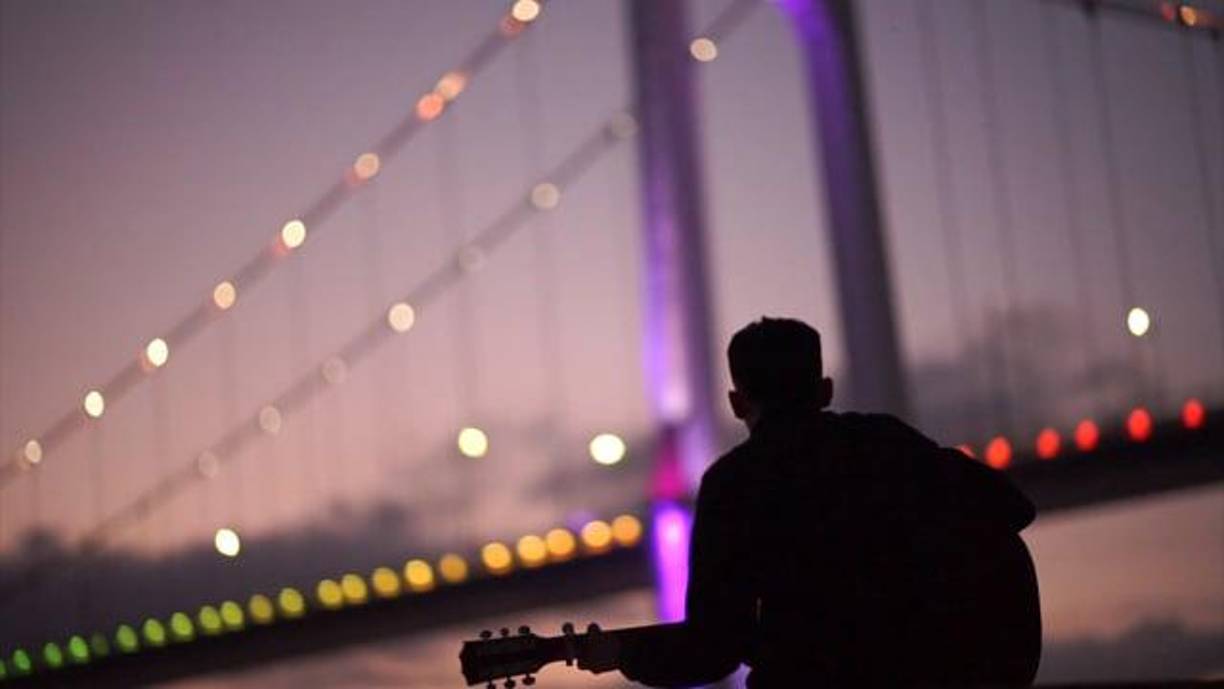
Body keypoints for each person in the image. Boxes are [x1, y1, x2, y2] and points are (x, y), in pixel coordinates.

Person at [577, 317, 1041, 687]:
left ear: (737, 403)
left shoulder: (735, 483)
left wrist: (621, 654)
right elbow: (1013, 508)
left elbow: (713, 650)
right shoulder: (885, 441)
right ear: (824, 391)